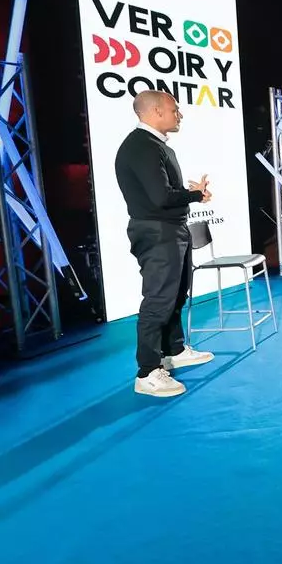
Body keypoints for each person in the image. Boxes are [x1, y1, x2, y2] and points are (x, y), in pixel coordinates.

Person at [113, 90, 215, 397]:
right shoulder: (141, 146)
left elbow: (164, 192)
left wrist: (191, 194)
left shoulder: (155, 145)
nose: (179, 115)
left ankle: (174, 351)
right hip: (158, 233)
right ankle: (147, 372)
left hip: (170, 229)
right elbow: (160, 198)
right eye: (174, 110)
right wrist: (195, 195)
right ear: (156, 111)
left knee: (176, 295)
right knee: (158, 301)